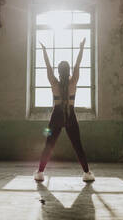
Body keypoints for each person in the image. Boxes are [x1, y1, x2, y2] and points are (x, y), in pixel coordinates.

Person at [33, 37, 95, 182]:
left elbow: (48, 67)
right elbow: (78, 64)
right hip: (70, 116)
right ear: (68, 71)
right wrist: (81, 48)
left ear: (59, 72)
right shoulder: (73, 82)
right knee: (78, 145)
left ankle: (40, 172)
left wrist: (44, 51)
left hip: (56, 116)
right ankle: (87, 173)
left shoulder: (54, 83)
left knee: (48, 144)